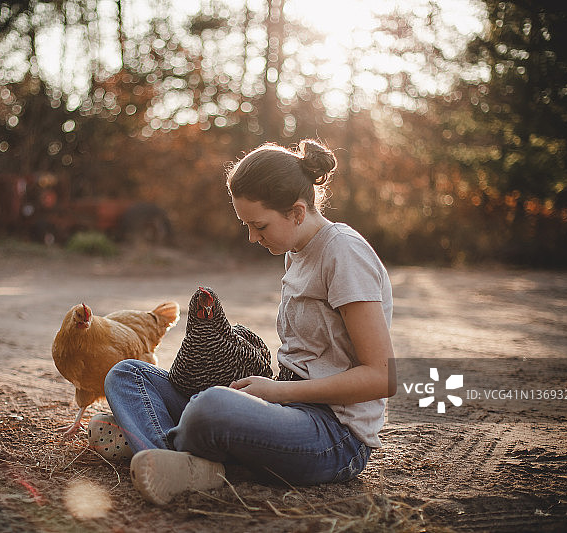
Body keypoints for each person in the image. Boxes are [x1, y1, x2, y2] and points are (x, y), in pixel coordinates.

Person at [94, 139, 396, 505]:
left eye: (259, 225)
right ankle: (173, 456)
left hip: (333, 434)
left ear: (297, 213)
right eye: (246, 225)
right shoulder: (297, 251)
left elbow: (381, 378)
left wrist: (276, 392)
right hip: (285, 407)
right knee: (128, 375)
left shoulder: (344, 254)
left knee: (212, 407)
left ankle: (153, 441)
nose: (252, 237)